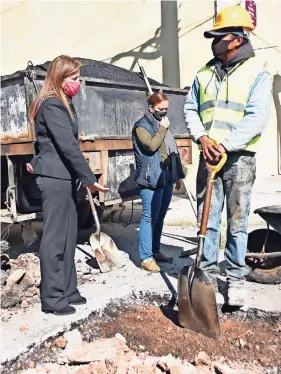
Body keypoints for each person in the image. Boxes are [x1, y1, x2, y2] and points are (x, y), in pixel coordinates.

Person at [184, 5, 272, 306]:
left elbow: (257, 117)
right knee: (206, 220)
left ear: (237, 38)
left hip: (238, 159)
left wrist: (223, 144)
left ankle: (235, 278)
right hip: (208, 155)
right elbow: (190, 109)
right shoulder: (204, 73)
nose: (214, 40)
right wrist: (203, 137)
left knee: (237, 222)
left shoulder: (256, 72)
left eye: (220, 36)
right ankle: (205, 276)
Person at [27, 55, 108, 315]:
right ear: (59, 78)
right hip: (55, 178)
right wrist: (89, 178)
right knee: (55, 238)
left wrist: (79, 177)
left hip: (65, 177)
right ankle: (52, 298)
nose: (78, 82)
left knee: (69, 235)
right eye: (73, 78)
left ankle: (68, 289)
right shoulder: (51, 105)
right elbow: (67, 145)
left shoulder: (64, 102)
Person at [132, 92, 185, 272]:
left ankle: (155, 250)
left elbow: (172, 150)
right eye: (160, 109)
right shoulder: (141, 126)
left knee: (160, 216)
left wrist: (176, 175)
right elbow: (151, 146)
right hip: (149, 178)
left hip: (166, 176)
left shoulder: (163, 125)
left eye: (166, 109)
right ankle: (146, 258)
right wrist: (162, 128)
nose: (164, 112)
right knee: (149, 216)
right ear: (151, 108)